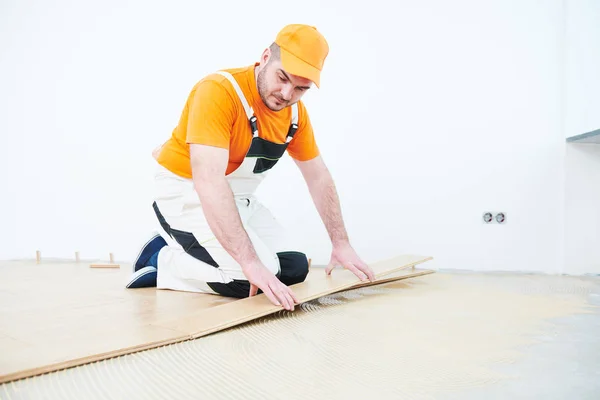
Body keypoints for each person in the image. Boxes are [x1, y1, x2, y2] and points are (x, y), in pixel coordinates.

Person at [126, 24, 374, 311]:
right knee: (249, 281)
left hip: (237, 200)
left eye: (300, 88)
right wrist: (249, 263)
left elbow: (318, 176)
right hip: (187, 193)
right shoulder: (219, 91)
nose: (286, 93)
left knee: (292, 268)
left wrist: (340, 242)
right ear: (266, 56)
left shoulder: (294, 114)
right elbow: (208, 182)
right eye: (282, 78)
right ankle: (162, 260)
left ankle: (203, 252)